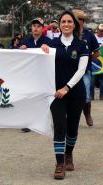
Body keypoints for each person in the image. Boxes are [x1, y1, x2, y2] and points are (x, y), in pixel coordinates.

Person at [46, 10, 89, 179]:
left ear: (74, 25)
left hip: (75, 94)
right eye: (63, 21)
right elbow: (38, 60)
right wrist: (36, 50)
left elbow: (81, 70)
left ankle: (69, 154)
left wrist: (66, 88)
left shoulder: (82, 45)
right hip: (56, 94)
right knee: (59, 128)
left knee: (72, 129)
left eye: (69, 22)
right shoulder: (52, 45)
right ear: (59, 24)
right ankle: (59, 163)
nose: (66, 24)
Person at [19, 18, 51, 133]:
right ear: (31, 28)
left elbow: (53, 55)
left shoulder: (48, 41)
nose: (36, 28)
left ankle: (41, 122)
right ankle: (27, 122)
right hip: (29, 75)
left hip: (43, 75)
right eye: (34, 26)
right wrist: (20, 49)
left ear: (42, 28)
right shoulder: (26, 41)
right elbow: (15, 55)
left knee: (42, 99)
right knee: (28, 98)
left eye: (38, 26)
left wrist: (47, 49)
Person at [72, 9, 100, 126]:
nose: (78, 22)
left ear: (83, 21)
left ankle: (87, 114)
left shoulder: (89, 35)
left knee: (86, 94)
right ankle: (71, 117)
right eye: (76, 20)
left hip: (85, 70)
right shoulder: (70, 34)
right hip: (70, 69)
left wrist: (87, 59)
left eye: (80, 20)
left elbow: (97, 53)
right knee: (70, 94)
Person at [94, 23, 103, 100]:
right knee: (92, 80)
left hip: (102, 63)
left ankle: (102, 96)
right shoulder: (93, 38)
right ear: (97, 30)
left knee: (102, 80)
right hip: (94, 62)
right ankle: (90, 96)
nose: (102, 32)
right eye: (100, 30)